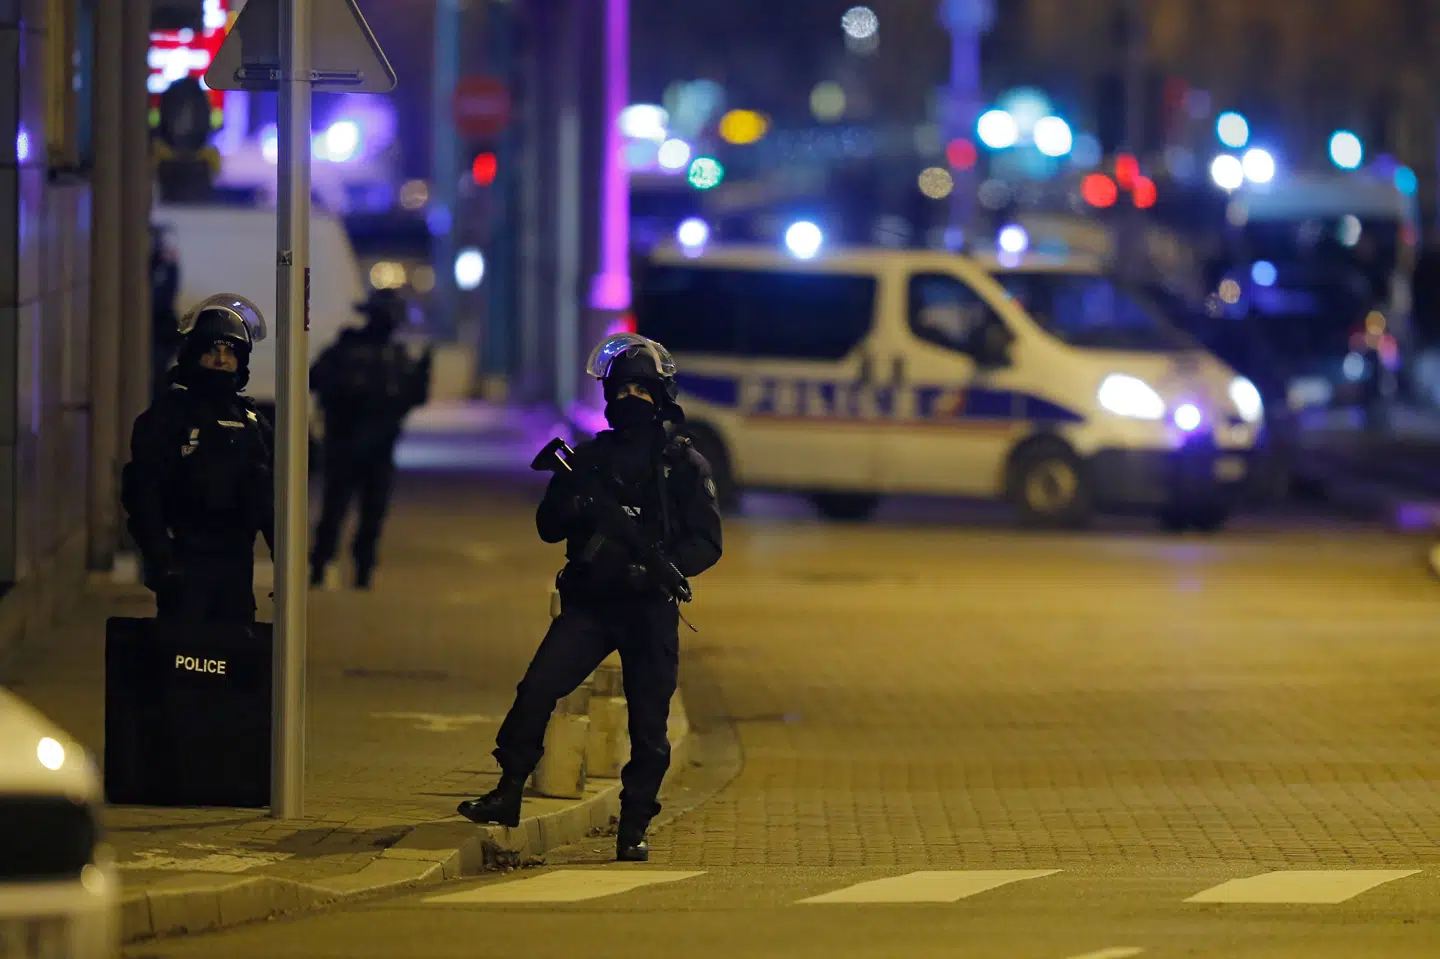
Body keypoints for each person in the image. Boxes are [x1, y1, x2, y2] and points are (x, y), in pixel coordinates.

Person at [457, 333, 723, 861]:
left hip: (648, 609)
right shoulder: (588, 459)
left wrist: (661, 570)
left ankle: (634, 826)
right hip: (592, 606)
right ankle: (508, 791)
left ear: (661, 397)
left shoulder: (682, 464)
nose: (631, 400)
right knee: (536, 690)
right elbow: (547, 528)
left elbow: (708, 543)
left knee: (649, 726)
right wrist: (577, 504)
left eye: (642, 392)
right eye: (622, 390)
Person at [122, 295, 274, 624]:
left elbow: (272, 497)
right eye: (212, 352)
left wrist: (286, 562)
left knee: (234, 659)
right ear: (194, 356)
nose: (221, 361)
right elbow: (143, 493)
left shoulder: (252, 423)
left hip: (236, 562)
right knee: (183, 659)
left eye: (229, 353)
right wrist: (161, 558)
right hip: (184, 559)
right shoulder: (166, 418)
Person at [308, 289, 432, 590]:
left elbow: (413, 396)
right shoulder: (347, 347)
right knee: (334, 512)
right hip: (346, 443)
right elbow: (317, 378)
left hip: (379, 447)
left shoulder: (395, 354)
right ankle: (321, 566)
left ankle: (362, 571)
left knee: (371, 516)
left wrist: (422, 372)